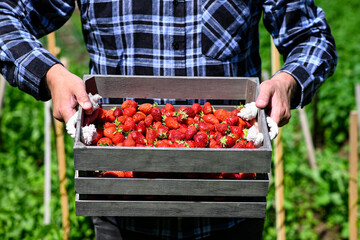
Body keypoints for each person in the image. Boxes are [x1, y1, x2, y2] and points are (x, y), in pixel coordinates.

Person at [0, 0, 337, 239]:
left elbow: (313, 37)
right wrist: (50, 74)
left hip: (229, 203)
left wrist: (287, 82)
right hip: (121, 206)